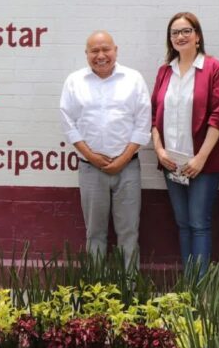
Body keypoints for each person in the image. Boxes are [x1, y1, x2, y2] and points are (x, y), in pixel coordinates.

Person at [60, 31, 151, 266]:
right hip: (90, 169)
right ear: (86, 53)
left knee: (128, 232)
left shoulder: (133, 79)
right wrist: (91, 156)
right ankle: (96, 286)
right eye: (94, 51)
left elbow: (143, 123)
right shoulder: (74, 81)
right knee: (95, 233)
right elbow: (68, 123)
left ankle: (129, 285)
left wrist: (123, 158)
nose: (101, 55)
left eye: (106, 49)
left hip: (128, 168)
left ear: (115, 50)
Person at [151, 12, 219, 276]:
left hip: (202, 163)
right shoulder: (165, 71)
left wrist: (201, 158)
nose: (181, 36)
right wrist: (159, 151)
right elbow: (154, 115)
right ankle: (188, 284)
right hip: (171, 161)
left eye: (186, 31)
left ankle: (200, 287)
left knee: (198, 224)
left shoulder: (213, 68)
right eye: (175, 32)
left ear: (197, 36)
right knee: (183, 223)